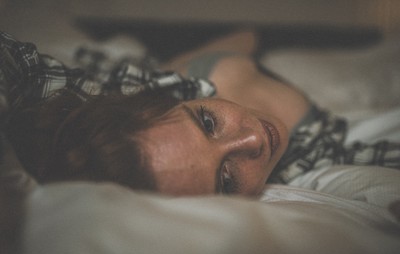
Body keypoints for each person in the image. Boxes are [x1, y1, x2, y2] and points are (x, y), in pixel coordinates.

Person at [1, 30, 399, 197]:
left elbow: (18, 63)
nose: (255, 138)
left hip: (203, 56)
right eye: (227, 181)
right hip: (278, 71)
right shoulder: (316, 155)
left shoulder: (125, 97)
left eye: (207, 122)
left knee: (248, 35)